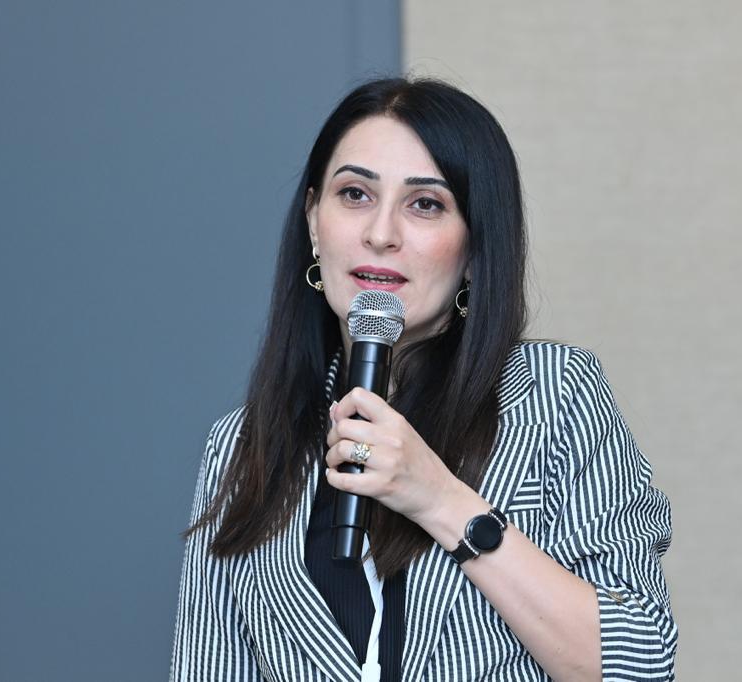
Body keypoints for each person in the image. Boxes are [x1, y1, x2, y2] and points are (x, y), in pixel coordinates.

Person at [170, 77, 677, 682]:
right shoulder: (241, 446)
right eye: (354, 194)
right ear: (313, 221)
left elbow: (638, 665)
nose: (381, 233)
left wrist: (440, 500)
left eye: (425, 204)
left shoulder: (554, 394)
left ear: (476, 248)